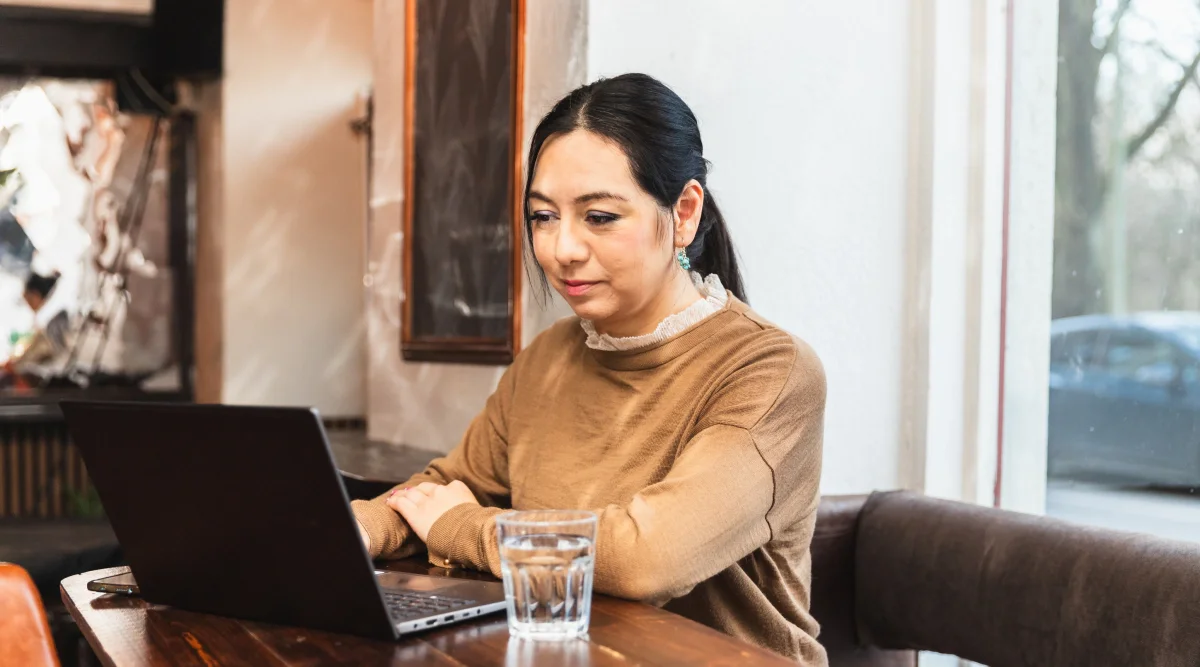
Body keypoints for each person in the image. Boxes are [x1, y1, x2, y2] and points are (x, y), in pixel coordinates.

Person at [352, 73, 826, 664]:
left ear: (683, 212)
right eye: (543, 216)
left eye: (599, 217)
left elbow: (650, 557)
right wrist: (355, 528)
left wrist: (465, 529)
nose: (562, 249)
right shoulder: (547, 357)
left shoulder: (770, 371)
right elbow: (448, 487)